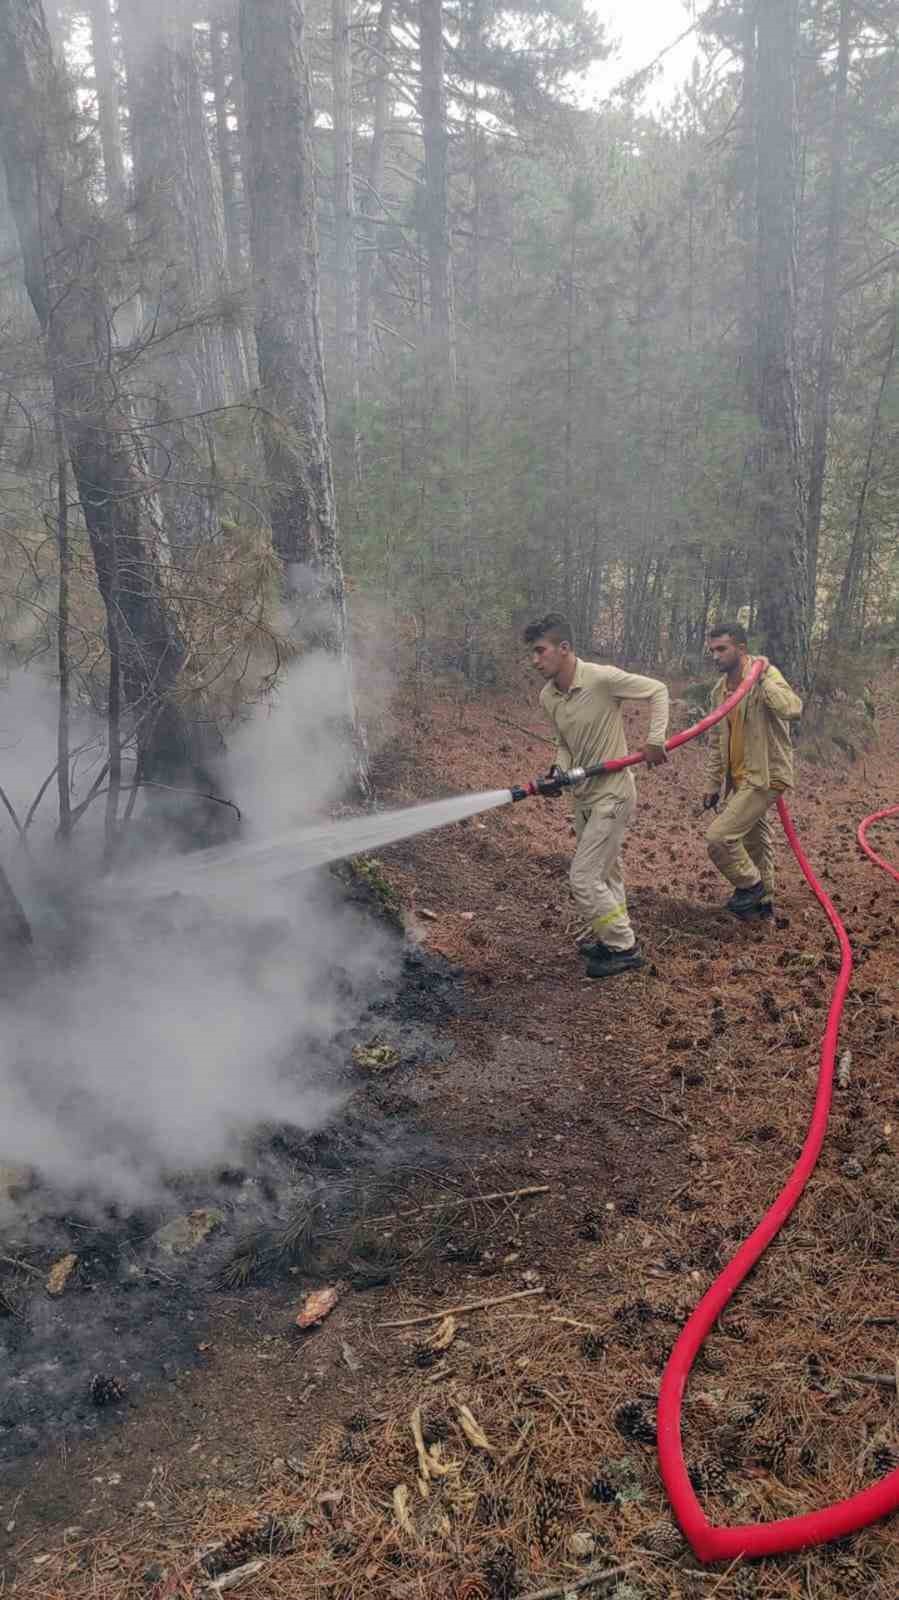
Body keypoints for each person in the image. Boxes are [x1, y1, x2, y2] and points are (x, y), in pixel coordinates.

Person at [524, 613, 669, 979]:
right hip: (583, 797)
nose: (535, 660)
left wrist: (655, 739)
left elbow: (657, 690)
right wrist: (558, 772)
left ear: (564, 649)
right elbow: (565, 744)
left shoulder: (602, 679)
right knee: (606, 874)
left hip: (613, 794)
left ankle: (624, 948)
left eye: (541, 651)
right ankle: (612, 938)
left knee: (584, 878)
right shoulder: (548, 696)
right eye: (532, 653)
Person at [702, 622, 803, 917]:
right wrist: (712, 784)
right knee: (755, 842)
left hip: (765, 776)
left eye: (722, 649)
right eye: (712, 650)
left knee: (719, 837)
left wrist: (760, 679)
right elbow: (717, 740)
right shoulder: (719, 691)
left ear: (741, 649)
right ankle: (763, 907)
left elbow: (792, 708)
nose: (716, 655)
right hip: (739, 780)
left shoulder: (766, 675)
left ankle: (752, 886)